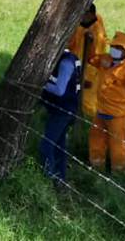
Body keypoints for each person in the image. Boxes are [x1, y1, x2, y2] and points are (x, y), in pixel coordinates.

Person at [88, 32, 125, 174]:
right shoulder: (105, 60)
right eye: (114, 47)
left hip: (118, 113)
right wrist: (90, 44)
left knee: (117, 143)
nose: (115, 50)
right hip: (101, 110)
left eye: (119, 48)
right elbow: (91, 59)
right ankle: (96, 166)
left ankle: (118, 172)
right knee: (96, 138)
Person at [39, 49, 81, 182]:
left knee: (46, 146)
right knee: (58, 145)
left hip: (62, 111)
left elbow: (59, 90)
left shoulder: (66, 64)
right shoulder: (64, 59)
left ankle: (49, 179)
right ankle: (59, 179)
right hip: (62, 108)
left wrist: (39, 84)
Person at [67, 3, 108, 117]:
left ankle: (86, 117)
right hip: (75, 64)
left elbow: (97, 55)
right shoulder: (80, 26)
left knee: (86, 97)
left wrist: (91, 41)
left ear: (90, 14)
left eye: (84, 14)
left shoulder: (96, 30)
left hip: (89, 70)